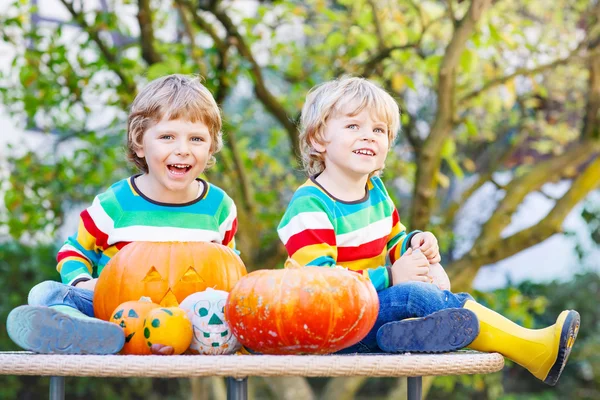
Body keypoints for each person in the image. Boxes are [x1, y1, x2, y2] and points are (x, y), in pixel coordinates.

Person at [277, 76, 579, 386]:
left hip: (364, 317)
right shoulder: (310, 205)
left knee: (428, 296)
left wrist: (415, 245)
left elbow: (392, 241)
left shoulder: (375, 191)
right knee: (413, 294)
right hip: (325, 329)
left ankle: (404, 334)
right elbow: (320, 285)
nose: (368, 137)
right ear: (318, 140)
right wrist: (392, 277)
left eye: (378, 130)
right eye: (353, 127)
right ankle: (530, 348)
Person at [7, 74, 238, 355]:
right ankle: (90, 333)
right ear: (139, 143)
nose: (183, 150)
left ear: (212, 146)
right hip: (116, 314)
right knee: (45, 293)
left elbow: (229, 271)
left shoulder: (219, 207)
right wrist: (83, 282)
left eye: (197, 139)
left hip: (189, 324)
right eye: (167, 137)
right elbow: (73, 251)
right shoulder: (115, 204)